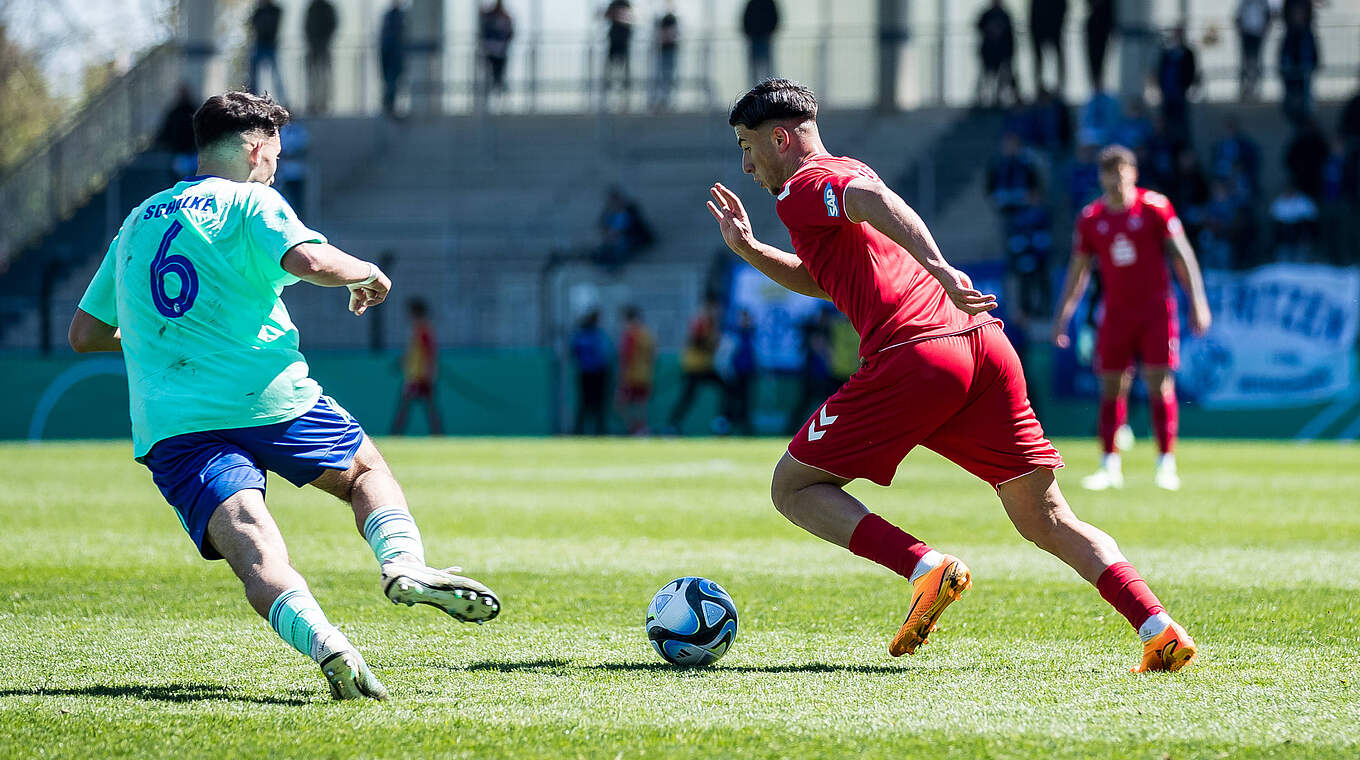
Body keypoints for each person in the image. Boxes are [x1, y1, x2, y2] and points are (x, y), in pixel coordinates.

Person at [708, 78, 1197, 672]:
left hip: (915, 356)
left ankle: (924, 566)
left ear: (780, 138)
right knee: (1047, 517)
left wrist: (940, 269)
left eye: (747, 146)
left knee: (793, 487)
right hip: (986, 352)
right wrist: (751, 249)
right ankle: (1157, 626)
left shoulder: (806, 186)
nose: (747, 164)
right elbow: (823, 275)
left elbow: (875, 202)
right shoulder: (836, 175)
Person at [66, 91, 500, 701]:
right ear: (254, 148)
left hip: (173, 423)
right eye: (274, 150)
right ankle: (402, 563)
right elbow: (310, 260)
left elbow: (85, 334)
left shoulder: (138, 220)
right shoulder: (251, 200)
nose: (275, 163)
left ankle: (328, 644)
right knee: (364, 473)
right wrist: (368, 274)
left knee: (255, 552)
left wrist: (159, 346)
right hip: (269, 397)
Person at [1051, 145, 1212, 493]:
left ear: (1133, 174)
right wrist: (1063, 315)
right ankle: (1109, 465)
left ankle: (1165, 464)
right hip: (1117, 313)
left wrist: (1197, 301)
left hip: (1156, 311)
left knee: (1158, 382)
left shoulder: (1156, 208)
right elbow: (1078, 272)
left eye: (1122, 173)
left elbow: (1183, 255)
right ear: (1101, 177)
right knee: (1111, 385)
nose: (1116, 180)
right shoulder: (1092, 218)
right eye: (1109, 173)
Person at [667, 296, 724, 434]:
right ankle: (672, 424)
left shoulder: (711, 323)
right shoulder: (701, 321)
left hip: (704, 366)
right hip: (694, 367)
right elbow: (697, 341)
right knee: (688, 397)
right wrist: (712, 343)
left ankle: (721, 420)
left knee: (725, 388)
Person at [392, 298, 442, 435]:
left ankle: (396, 434)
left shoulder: (423, 329)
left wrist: (429, 372)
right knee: (426, 407)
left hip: (419, 376)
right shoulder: (417, 329)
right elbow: (415, 352)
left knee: (408, 406)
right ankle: (437, 434)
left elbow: (429, 352)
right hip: (415, 374)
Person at [616, 305, 656, 435]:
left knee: (623, 404)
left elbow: (626, 356)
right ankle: (641, 428)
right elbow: (653, 355)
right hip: (645, 375)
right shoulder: (647, 333)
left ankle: (635, 428)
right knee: (640, 404)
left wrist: (621, 377)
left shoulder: (630, 334)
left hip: (632, 375)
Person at [1155, 27, 1198, 148]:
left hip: (1180, 93)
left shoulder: (1188, 53)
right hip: (1167, 94)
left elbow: (1191, 72)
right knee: (1166, 124)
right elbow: (1160, 72)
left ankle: (1181, 148)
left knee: (1181, 125)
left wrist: (1186, 86)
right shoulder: (1167, 53)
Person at [1278, 3, 1320, 126]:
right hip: (1291, 74)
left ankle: (1305, 116)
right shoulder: (1289, 34)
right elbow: (1284, 52)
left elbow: (1313, 52)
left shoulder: (1307, 34)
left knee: (1305, 98)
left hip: (1304, 73)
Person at [570, 310, 611, 435]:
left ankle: (580, 430)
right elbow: (605, 354)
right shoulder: (598, 335)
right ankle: (598, 430)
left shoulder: (580, 335)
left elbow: (573, 351)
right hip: (597, 373)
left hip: (585, 372)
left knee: (585, 403)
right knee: (597, 403)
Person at [976, 0, 1020, 109]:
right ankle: (983, 98)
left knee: (1001, 78)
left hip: (1001, 53)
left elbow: (1010, 37)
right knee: (987, 77)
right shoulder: (988, 14)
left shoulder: (1005, 15)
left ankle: (997, 98)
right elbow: (979, 27)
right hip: (990, 53)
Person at [154, 84, 199, 180]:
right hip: (179, 152)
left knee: (194, 176)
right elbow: (166, 129)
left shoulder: (194, 110)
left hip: (193, 152)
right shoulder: (174, 112)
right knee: (179, 176)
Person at [304, 0, 339, 115]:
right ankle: (313, 102)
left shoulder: (327, 8)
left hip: (323, 46)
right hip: (313, 47)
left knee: (324, 76)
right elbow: (306, 26)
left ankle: (323, 103)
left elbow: (333, 25)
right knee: (313, 77)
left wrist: (325, 41)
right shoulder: (312, 7)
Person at [248, 0, 286, 103]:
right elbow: (252, 24)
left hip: (269, 44)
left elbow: (269, 26)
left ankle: (283, 102)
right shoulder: (259, 10)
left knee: (276, 76)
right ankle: (252, 99)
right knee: (253, 76)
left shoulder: (274, 10)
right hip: (260, 44)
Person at [1235, 0, 1272, 102]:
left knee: (1256, 62)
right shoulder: (1244, 3)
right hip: (1247, 35)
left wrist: (1264, 30)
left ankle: (1256, 90)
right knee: (1246, 63)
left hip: (1258, 35)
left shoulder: (1263, 3)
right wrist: (1241, 30)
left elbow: (1268, 16)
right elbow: (1238, 17)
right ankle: (1245, 90)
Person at [1029, 0, 1067, 95]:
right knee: (1039, 58)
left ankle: (1059, 85)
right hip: (1043, 24)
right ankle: (1041, 85)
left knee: (1043, 58)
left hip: (1051, 23)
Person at [479, 1, 515, 101]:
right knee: (492, 76)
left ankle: (502, 98)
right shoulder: (491, 17)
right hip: (492, 51)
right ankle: (493, 97)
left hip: (499, 51)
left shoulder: (504, 17)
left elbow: (510, 33)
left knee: (499, 76)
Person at [650, 3, 680, 111]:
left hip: (670, 51)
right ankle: (659, 101)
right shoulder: (662, 19)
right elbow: (660, 35)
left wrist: (665, 35)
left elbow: (673, 35)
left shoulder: (673, 19)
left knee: (669, 77)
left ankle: (668, 102)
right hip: (662, 51)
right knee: (660, 77)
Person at [603, 0, 635, 100]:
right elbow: (606, 16)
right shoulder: (613, 4)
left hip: (624, 41)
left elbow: (630, 18)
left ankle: (626, 90)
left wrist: (621, 16)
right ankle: (608, 86)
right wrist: (616, 14)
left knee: (625, 68)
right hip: (614, 41)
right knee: (610, 67)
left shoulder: (627, 4)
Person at [380, 1, 407, 117]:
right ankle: (389, 105)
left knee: (392, 83)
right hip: (390, 56)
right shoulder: (393, 17)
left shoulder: (397, 17)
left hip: (393, 57)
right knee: (390, 83)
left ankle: (390, 105)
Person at [742, 0, 780, 84]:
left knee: (764, 66)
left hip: (761, 39)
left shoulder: (763, 3)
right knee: (760, 67)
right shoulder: (766, 3)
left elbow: (774, 19)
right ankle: (767, 87)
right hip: (757, 39)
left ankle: (767, 87)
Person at [1084, 0, 1115, 92]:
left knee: (1101, 60)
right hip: (1096, 26)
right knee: (1094, 60)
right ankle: (1096, 86)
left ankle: (1099, 86)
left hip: (1103, 26)